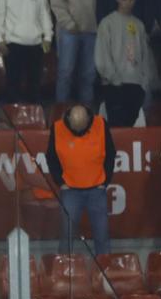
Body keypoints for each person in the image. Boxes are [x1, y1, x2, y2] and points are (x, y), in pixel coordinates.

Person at [47, 102, 113, 257]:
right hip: (70, 190)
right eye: (75, 128)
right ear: (68, 119)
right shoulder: (57, 128)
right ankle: (63, 269)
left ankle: (104, 273)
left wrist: (105, 182)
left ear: (88, 119)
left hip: (97, 189)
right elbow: (51, 158)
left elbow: (110, 154)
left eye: (82, 128)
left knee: (102, 235)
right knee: (66, 235)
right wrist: (60, 182)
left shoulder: (101, 124)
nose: (78, 132)